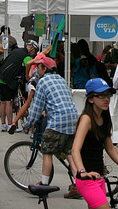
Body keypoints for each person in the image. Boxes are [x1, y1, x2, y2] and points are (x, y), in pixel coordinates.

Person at [72, 78, 118, 209]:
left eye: (108, 95)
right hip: (86, 179)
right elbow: (75, 149)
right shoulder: (86, 119)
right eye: (101, 96)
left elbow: (110, 148)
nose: (106, 99)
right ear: (91, 99)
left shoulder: (104, 117)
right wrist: (82, 172)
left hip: (99, 177)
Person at [24, 53, 80, 200]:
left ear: (44, 68)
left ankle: (43, 185)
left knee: (47, 152)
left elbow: (36, 107)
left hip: (57, 121)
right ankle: (78, 184)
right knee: (69, 153)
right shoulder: (61, 79)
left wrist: (28, 124)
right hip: (73, 120)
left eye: (39, 67)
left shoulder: (43, 82)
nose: (37, 70)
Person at [0, 46, 28, 131]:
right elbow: (28, 64)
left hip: (0, 77)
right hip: (8, 80)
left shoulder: (15, 52)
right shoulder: (26, 56)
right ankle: (10, 125)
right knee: (9, 102)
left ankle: (3, 124)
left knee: (3, 102)